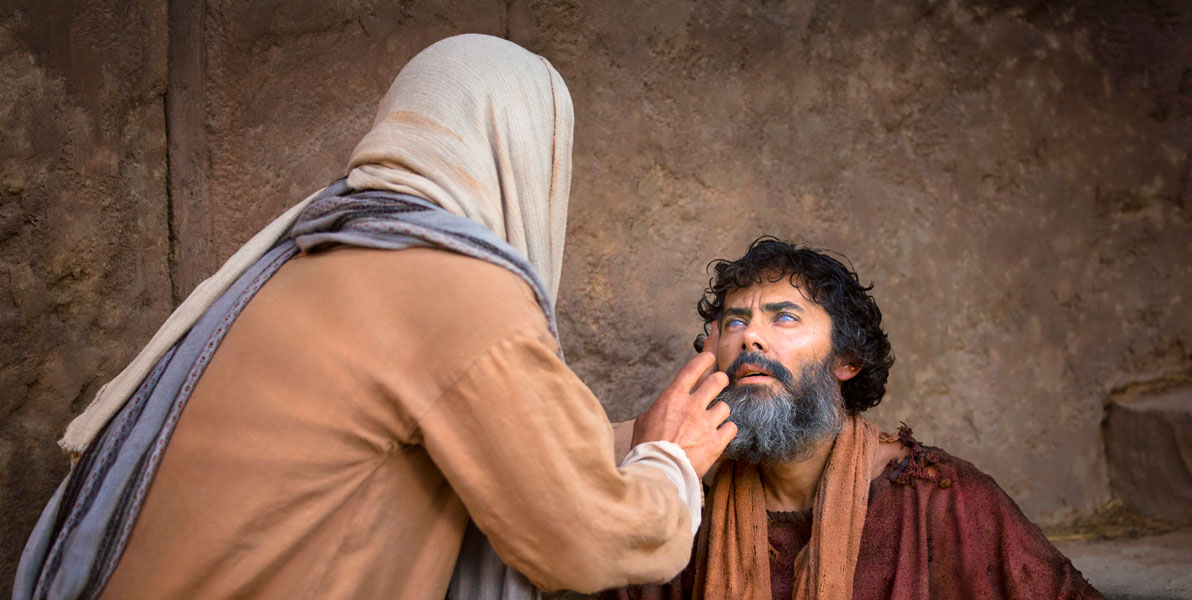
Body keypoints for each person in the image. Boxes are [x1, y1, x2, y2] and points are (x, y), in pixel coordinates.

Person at [14, 34, 735, 600]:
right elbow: (578, 537)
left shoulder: (322, 251)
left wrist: (641, 441)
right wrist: (670, 466)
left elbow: (501, 441)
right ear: (529, 154)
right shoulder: (452, 287)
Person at [606, 237, 1105, 600]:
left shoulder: (934, 497)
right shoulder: (681, 492)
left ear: (846, 360)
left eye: (784, 317)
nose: (749, 337)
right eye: (736, 321)